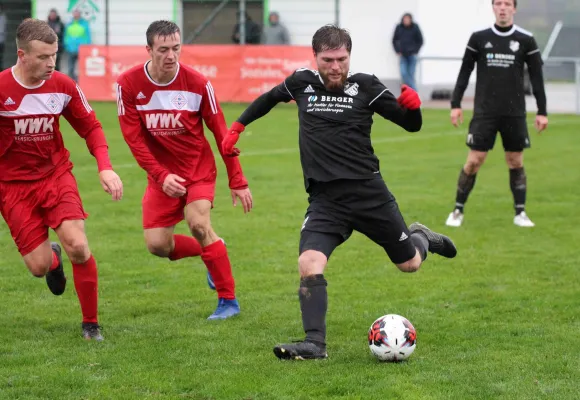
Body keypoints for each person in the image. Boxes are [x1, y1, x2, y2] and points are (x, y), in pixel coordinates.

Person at [221, 24, 457, 360]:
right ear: (315, 57)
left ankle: (420, 236)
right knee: (309, 262)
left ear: (350, 56)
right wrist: (238, 127)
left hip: (369, 196)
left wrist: (413, 107)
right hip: (325, 201)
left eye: (341, 59)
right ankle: (315, 344)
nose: (336, 67)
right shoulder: (302, 82)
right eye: (328, 59)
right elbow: (269, 99)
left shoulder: (367, 87)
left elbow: (410, 124)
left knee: (410, 265)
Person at [115, 20, 252, 320]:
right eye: (163, 49)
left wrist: (237, 179)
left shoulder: (199, 83)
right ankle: (213, 251)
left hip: (198, 170)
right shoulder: (127, 84)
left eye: (176, 48)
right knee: (157, 245)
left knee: (198, 224)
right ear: (148, 49)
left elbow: (221, 133)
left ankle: (228, 301)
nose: (171, 56)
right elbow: (133, 140)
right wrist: (161, 176)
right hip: (160, 176)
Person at [0, 18, 123, 340]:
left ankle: (91, 324)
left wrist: (105, 166)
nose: (50, 63)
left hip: (55, 176)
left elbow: (91, 127)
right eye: (42, 57)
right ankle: (53, 259)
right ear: (21, 55)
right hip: (12, 187)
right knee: (38, 267)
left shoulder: (63, 85)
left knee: (79, 247)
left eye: (53, 55)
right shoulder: (1, 90)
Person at [446, 0, 548, 228]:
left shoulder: (526, 40)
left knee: (515, 160)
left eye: (507, 4)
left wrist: (542, 111)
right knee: (474, 161)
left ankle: (520, 213)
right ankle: (457, 211)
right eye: (498, 3)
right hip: (485, 112)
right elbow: (464, 72)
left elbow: (537, 78)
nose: (503, 7)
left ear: (514, 9)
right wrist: (455, 103)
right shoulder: (478, 38)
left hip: (514, 113)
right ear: (493, 7)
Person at [392, 13, 423, 90]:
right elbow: (394, 40)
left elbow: (420, 40)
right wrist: (397, 50)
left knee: (411, 75)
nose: (406, 20)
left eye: (408, 19)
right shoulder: (399, 27)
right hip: (403, 55)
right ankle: (414, 91)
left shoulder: (415, 27)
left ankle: (411, 93)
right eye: (405, 19)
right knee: (404, 74)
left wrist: (416, 51)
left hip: (412, 55)